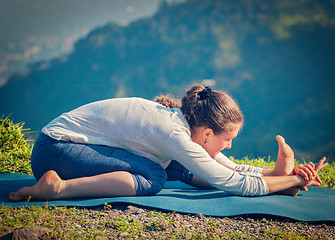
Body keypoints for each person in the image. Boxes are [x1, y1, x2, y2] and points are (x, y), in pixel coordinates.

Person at [8, 84, 328, 202]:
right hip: (56, 149)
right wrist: (293, 179)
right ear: (205, 133)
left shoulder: (182, 125)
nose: (229, 146)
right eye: (227, 139)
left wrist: (275, 175)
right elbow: (232, 183)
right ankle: (57, 188)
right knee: (154, 177)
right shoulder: (175, 134)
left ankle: (278, 182)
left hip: (68, 146)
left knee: (174, 167)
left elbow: (227, 168)